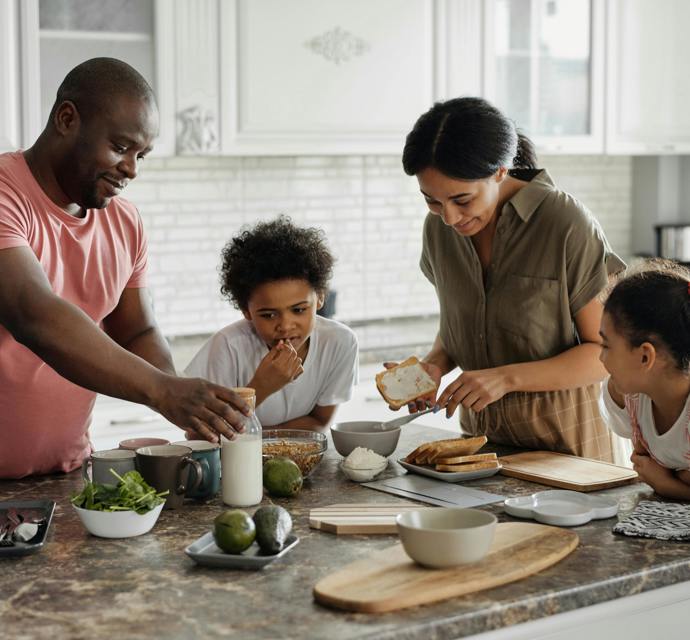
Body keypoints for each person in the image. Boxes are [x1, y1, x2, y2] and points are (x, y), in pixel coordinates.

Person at [0, 58, 249, 479]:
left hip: (67, 475)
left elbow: (137, 331)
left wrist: (188, 407)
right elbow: (32, 313)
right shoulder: (7, 194)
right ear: (66, 118)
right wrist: (160, 390)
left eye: (141, 155)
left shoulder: (124, 220)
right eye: (120, 147)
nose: (131, 168)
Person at [399, 96, 625, 461]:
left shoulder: (564, 223)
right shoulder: (438, 232)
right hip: (481, 452)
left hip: (569, 452)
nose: (450, 218)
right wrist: (434, 366)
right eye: (432, 201)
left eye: (463, 200)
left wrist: (505, 378)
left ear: (501, 171)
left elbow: (605, 353)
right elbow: (463, 327)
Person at [185, 216, 358, 432]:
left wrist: (261, 439)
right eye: (268, 315)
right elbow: (198, 434)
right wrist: (261, 387)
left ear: (320, 297)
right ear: (246, 310)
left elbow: (319, 422)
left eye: (298, 310)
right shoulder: (228, 347)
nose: (285, 326)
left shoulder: (340, 342)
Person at [600, 260, 690, 500]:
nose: (601, 357)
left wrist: (667, 484)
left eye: (606, 345)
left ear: (644, 356)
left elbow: (655, 476)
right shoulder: (624, 395)